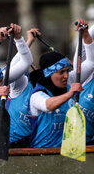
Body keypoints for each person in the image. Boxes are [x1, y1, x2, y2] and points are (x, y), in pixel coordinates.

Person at [28, 19, 94, 148]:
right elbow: (48, 106)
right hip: (42, 154)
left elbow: (91, 62)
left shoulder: (69, 79)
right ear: (48, 74)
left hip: (66, 151)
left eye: (67, 71)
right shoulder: (37, 95)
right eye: (61, 72)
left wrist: (86, 34)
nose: (66, 76)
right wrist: (70, 93)